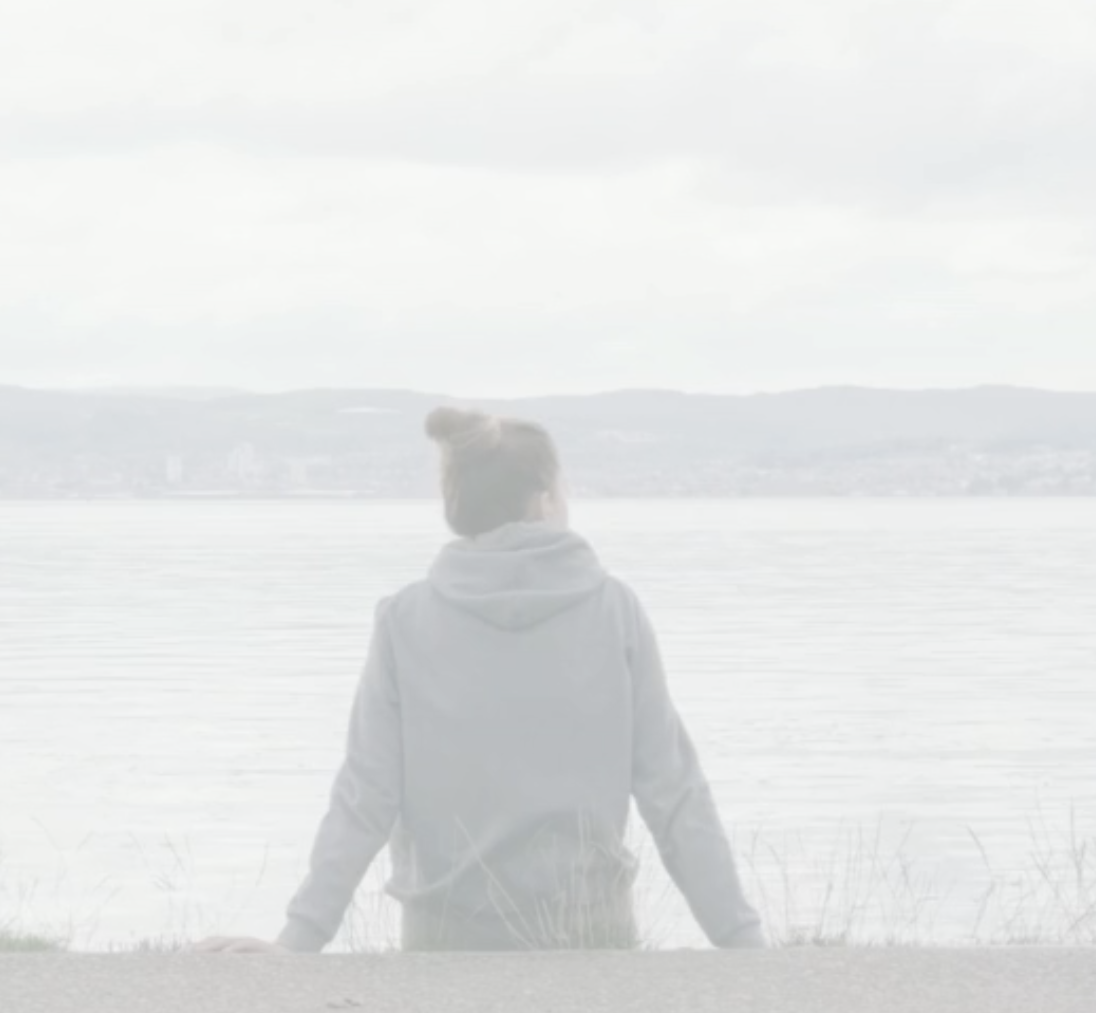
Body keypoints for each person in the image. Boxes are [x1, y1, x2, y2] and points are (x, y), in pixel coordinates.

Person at [198, 406, 764, 953]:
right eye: (564, 490)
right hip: (591, 942)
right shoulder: (615, 611)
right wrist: (744, 944)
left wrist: (300, 938)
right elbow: (674, 794)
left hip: (444, 944)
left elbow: (365, 796)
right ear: (544, 500)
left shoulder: (406, 619)